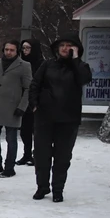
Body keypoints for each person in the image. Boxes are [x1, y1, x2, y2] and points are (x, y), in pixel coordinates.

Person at [28, 35, 92, 202]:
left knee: (62, 156)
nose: (65, 48)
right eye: (62, 45)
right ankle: (42, 186)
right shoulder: (47, 65)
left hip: (68, 118)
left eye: (69, 45)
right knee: (42, 154)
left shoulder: (81, 66)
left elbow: (84, 79)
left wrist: (76, 59)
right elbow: (35, 84)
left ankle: (58, 189)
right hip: (44, 116)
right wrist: (34, 104)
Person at [0, 40, 32, 178]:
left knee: (11, 138)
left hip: (12, 106)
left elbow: (28, 88)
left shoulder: (24, 66)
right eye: (6, 49)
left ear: (17, 51)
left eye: (12, 50)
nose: (8, 52)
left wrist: (22, 106)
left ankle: (9, 167)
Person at [17, 39, 45, 165]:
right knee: (25, 130)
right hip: (23, 100)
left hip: (37, 101)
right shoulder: (20, 63)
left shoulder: (41, 64)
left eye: (28, 48)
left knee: (37, 130)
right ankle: (27, 154)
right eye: (23, 48)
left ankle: (37, 154)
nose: (25, 51)